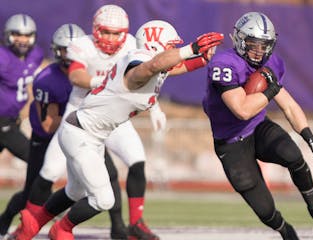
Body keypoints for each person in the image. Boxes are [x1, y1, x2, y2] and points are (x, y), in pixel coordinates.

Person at [11, 20, 223, 240]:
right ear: (154, 46)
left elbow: (171, 67)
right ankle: (62, 229)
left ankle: (33, 222)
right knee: (103, 200)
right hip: (80, 133)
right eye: (170, 45)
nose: (174, 50)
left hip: (90, 133)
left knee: (75, 192)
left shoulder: (152, 65)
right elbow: (152, 67)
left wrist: (201, 59)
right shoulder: (138, 66)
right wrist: (190, 49)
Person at [16, 5, 166, 240]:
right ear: (96, 30)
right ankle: (26, 227)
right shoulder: (82, 45)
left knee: (136, 159)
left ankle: (134, 223)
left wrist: (155, 106)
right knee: (49, 172)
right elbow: (76, 76)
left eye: (117, 32)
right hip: (81, 116)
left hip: (115, 117)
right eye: (106, 31)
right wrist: (100, 81)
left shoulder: (131, 44)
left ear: (125, 32)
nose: (111, 38)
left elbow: (147, 75)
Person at [202, 12, 313, 239]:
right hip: (231, 143)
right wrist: (270, 89)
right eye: (253, 45)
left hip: (258, 127)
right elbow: (242, 110)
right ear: (240, 40)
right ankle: (285, 230)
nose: (259, 51)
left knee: (292, 154)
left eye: (264, 46)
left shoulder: (271, 64)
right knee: (264, 208)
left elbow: (287, 104)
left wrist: (306, 131)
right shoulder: (225, 64)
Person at [0, 13, 44, 238]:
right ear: (8, 35)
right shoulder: (2, 57)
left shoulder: (36, 55)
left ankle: (6, 217)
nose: (22, 39)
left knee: (39, 169)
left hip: (11, 124)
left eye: (27, 35)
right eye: (17, 34)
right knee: (39, 167)